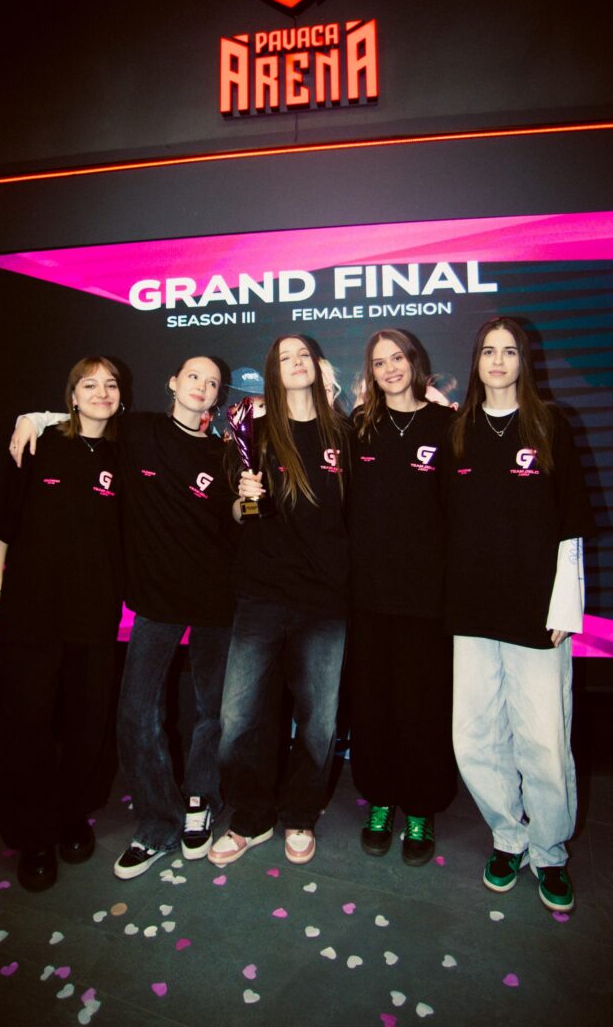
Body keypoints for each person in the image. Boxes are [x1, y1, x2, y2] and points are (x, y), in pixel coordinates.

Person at [9, 356, 236, 878]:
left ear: (217, 396)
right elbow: (87, 413)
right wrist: (33, 418)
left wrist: (246, 500)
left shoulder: (225, 453)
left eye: (212, 382)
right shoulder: (139, 431)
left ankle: (201, 801)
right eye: (194, 376)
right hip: (155, 601)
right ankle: (159, 821)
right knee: (135, 715)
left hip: (217, 601)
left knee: (213, 714)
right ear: (173, 383)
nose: (202, 386)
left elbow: (234, 520)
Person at [445, 317, 595, 913]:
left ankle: (549, 850)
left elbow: (572, 522)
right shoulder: (458, 428)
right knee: (475, 735)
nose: (498, 360)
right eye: (489, 350)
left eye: (509, 351)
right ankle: (508, 837)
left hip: (538, 612)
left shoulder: (551, 423)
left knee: (544, 740)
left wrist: (567, 605)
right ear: (477, 361)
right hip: (471, 610)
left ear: (523, 361)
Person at [209, 335, 351, 866]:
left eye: (303, 355)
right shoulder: (251, 430)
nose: (295, 362)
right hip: (261, 594)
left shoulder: (344, 433)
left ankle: (300, 814)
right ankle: (251, 817)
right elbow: (231, 511)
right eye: (283, 357)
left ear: (318, 365)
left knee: (318, 722)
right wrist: (243, 501)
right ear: (272, 371)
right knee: (238, 719)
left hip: (325, 600)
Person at [0, 357, 124, 892]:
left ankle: (72, 814)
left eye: (110, 384)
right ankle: (33, 835)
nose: (101, 392)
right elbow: (5, 520)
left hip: (95, 611)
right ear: (72, 395)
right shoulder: (39, 443)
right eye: (90, 384)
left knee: (87, 723)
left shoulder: (126, 454)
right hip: (31, 609)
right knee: (27, 724)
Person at [348, 330, 456, 865]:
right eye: (378, 362)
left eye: (397, 358)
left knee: (422, 707)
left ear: (415, 362)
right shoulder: (358, 427)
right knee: (372, 707)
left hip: (426, 600)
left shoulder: (446, 425)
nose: (389, 368)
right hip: (365, 597)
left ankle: (420, 807)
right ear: (369, 373)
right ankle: (380, 800)